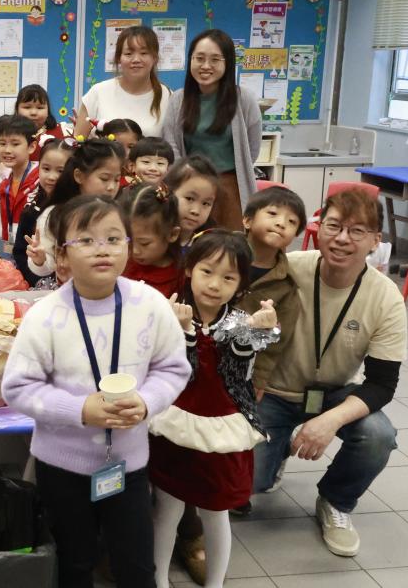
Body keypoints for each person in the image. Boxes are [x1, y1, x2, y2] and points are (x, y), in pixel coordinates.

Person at [3, 195, 191, 587]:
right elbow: (18, 387)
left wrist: (146, 401)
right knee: (73, 564)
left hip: (128, 465)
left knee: (137, 567)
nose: (102, 249)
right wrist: (79, 410)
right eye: (86, 240)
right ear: (62, 255)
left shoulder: (150, 305)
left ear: (129, 246)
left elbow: (173, 368)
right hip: (61, 468)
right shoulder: (45, 316)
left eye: (113, 239)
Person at [253, 189, 405, 558]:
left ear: (375, 241)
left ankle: (336, 501)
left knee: (378, 435)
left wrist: (329, 421)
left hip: (334, 393)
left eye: (357, 231)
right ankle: (276, 452)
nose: (342, 239)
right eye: (334, 226)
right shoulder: (289, 269)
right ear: (318, 229)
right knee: (248, 485)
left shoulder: (386, 297)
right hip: (272, 392)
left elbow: (382, 384)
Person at [149, 231, 279, 588]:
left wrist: (256, 331)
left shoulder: (242, 322)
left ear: (240, 285)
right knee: (167, 510)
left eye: (228, 277)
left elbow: (237, 373)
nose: (214, 284)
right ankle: (158, 580)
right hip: (174, 426)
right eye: (207, 271)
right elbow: (179, 374)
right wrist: (183, 331)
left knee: (216, 512)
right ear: (189, 269)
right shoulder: (168, 312)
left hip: (223, 433)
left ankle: (216, 583)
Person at [162, 29, 262, 230]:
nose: (206, 66)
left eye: (215, 59)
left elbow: (252, 148)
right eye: (199, 58)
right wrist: (185, 180)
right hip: (190, 186)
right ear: (191, 60)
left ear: (228, 63)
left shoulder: (243, 99)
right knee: (190, 241)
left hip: (230, 188)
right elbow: (171, 144)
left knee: (230, 243)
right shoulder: (178, 99)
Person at [20, 138, 124, 281]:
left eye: (117, 180)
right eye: (104, 179)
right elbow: (47, 266)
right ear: (79, 176)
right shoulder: (56, 214)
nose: (111, 187)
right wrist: (40, 260)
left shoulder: (119, 213)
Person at [241, 187, 306, 397]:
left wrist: (259, 377)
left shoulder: (286, 285)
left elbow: (277, 341)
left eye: (292, 221)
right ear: (247, 220)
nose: (281, 223)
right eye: (272, 213)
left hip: (240, 366)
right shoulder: (221, 254)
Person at [76, 25, 172, 138]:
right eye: (128, 54)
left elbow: (173, 144)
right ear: (118, 58)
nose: (136, 59)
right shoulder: (98, 92)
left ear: (155, 58)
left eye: (144, 53)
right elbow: (77, 141)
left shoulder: (168, 96)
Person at [15, 139, 73, 286]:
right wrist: (38, 264)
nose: (52, 177)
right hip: (37, 286)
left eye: (60, 171)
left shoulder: (76, 211)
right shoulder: (31, 210)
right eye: (46, 169)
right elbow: (20, 252)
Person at [122, 183, 184, 298]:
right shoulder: (121, 262)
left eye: (144, 243)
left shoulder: (181, 276)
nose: (134, 251)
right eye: (128, 240)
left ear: (172, 234)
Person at [0, 115, 40, 242]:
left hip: (33, 248)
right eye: (2, 143)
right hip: (4, 245)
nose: (7, 150)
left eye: (15, 144)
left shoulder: (41, 179)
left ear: (31, 147)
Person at [164, 156, 220, 246]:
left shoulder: (211, 246)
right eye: (189, 198)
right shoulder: (153, 238)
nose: (196, 211)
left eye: (206, 203)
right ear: (168, 192)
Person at [16, 84, 65, 159]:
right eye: (27, 107)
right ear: (17, 110)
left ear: (48, 111)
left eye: (40, 108)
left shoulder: (62, 132)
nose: (33, 112)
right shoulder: (8, 133)